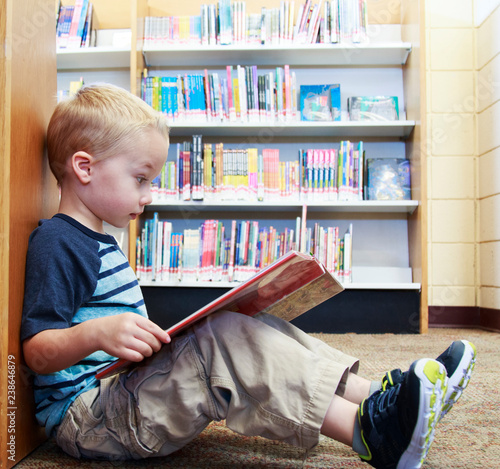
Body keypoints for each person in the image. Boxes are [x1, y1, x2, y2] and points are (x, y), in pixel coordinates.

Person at [21, 83, 477, 468]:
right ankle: (375, 434)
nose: (150, 193)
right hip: (89, 420)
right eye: (140, 178)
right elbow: (37, 352)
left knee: (241, 320)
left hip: (118, 394)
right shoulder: (58, 243)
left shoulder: (97, 238)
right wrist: (98, 333)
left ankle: (380, 397)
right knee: (222, 339)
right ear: (84, 168)